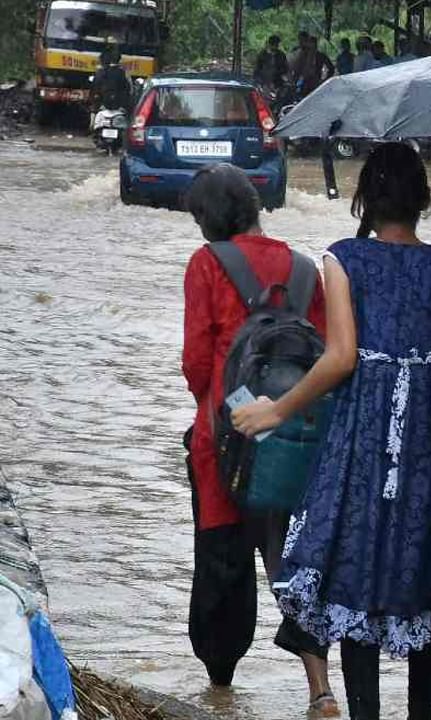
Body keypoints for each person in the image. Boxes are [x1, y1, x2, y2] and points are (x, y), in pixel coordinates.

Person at [232, 143, 431, 720]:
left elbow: (341, 357)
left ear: (366, 198)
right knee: (420, 568)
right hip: (427, 439)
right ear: (422, 201)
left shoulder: (342, 259)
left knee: (356, 567)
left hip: (363, 434)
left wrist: (276, 410)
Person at [181, 164, 339, 717]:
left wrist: (219, 410)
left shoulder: (206, 264)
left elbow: (197, 363)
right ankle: (320, 690)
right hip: (292, 439)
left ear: (209, 218)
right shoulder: (302, 269)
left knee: (223, 565)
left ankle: (219, 693)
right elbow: (325, 358)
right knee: (292, 561)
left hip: (223, 439)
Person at [91, 42, 132, 112]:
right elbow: (128, 91)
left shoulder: (100, 72)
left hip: (103, 107)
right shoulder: (124, 73)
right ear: (119, 60)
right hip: (118, 108)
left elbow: (95, 89)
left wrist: (98, 106)